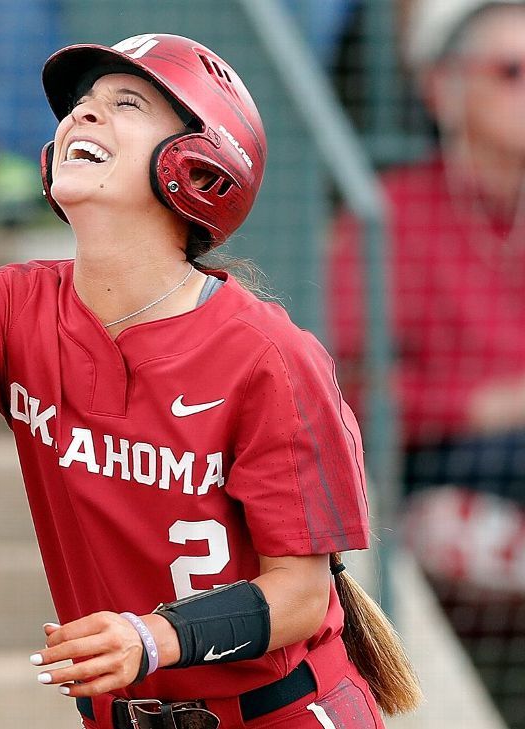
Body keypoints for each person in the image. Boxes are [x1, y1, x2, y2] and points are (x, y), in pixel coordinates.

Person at [0, 34, 421, 728]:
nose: (83, 113)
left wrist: (154, 638)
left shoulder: (271, 355)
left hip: (282, 712)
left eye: (126, 103)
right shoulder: (15, 302)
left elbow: (300, 595)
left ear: (199, 166)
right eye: (82, 103)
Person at [329, 0, 525, 719]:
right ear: (444, 88)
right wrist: (476, 404)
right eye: (511, 71)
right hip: (443, 467)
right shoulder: (390, 212)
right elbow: (343, 390)